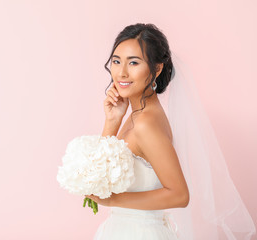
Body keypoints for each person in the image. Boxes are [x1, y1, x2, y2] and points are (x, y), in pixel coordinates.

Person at [85, 23, 256, 239]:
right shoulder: (137, 112)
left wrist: (112, 201)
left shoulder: (146, 122)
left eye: (134, 62)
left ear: (157, 69)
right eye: (117, 61)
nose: (122, 72)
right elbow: (99, 175)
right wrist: (113, 120)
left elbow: (179, 195)